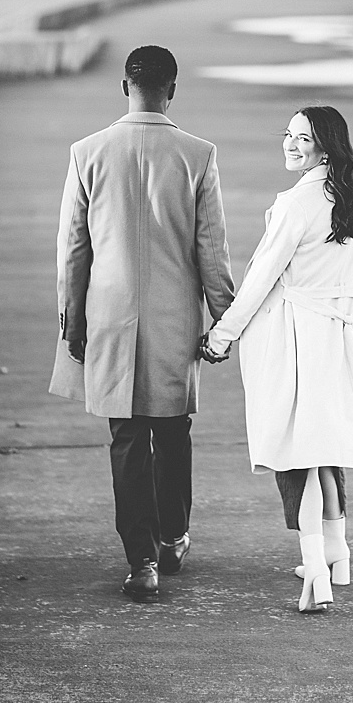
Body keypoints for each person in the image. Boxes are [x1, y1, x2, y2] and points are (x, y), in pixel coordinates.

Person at [53, 45, 235, 599]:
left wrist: (72, 319)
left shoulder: (88, 152)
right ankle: (173, 537)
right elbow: (211, 248)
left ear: (124, 86)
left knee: (126, 436)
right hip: (174, 318)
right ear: (172, 89)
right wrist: (224, 319)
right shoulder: (197, 154)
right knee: (173, 429)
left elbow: (73, 248)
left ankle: (140, 562)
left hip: (108, 313)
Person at [202, 104, 353, 613]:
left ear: (324, 147)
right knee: (324, 445)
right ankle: (337, 551)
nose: (289, 145)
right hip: (343, 336)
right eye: (287, 135)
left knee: (297, 454)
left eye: (302, 138)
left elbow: (262, 276)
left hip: (294, 339)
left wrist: (222, 335)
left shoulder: (297, 203)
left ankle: (315, 573)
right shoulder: (352, 196)